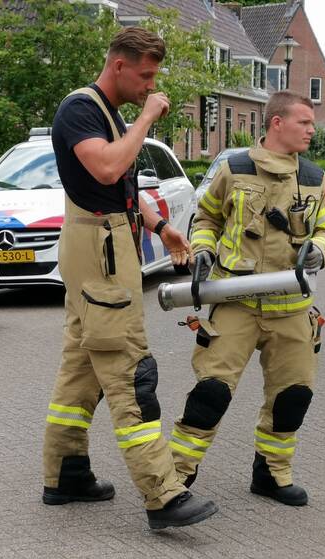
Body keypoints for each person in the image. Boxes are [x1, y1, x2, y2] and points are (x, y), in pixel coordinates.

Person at [41, 27, 217, 529]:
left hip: (104, 244)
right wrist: (144, 119)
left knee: (81, 363)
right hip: (99, 250)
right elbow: (106, 167)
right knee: (130, 370)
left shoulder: (107, 113)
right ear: (118, 65)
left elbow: (122, 184)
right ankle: (162, 494)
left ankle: (66, 473)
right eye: (145, 75)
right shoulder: (80, 110)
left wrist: (161, 228)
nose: (150, 86)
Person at [168, 91, 325, 506]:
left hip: (291, 309)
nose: (311, 130)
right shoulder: (234, 168)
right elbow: (206, 216)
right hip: (236, 303)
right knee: (210, 395)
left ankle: (272, 474)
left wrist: (319, 249)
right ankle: (173, 479)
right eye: (304, 122)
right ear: (276, 123)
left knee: (292, 397)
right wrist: (203, 249)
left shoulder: (316, 179)